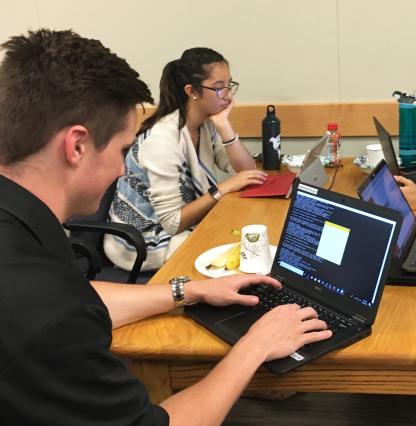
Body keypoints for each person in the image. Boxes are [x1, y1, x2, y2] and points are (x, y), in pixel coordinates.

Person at [0, 29, 331, 425]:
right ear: (77, 146)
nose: (125, 170)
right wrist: (254, 347)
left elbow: (81, 296)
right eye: (123, 150)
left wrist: (188, 290)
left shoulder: (27, 253)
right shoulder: (49, 315)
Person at [105, 47, 267, 271]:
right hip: (144, 239)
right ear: (192, 91)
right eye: (219, 88)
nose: (228, 95)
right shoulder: (162, 139)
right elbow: (172, 223)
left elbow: (246, 171)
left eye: (229, 86)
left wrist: (225, 126)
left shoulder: (207, 124)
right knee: (233, 252)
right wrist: (222, 188)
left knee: (246, 239)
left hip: (180, 224)